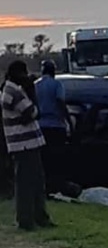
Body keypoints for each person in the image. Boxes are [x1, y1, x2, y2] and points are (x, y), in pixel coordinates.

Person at [1, 60, 53, 231]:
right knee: (25, 183)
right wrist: (31, 92)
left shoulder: (14, 90)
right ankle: (25, 220)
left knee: (37, 181)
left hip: (29, 141)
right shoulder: (12, 92)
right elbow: (33, 112)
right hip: (22, 143)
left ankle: (39, 216)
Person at [35, 59, 68, 194]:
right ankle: (56, 186)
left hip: (40, 127)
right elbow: (60, 101)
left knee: (44, 159)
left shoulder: (35, 85)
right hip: (56, 126)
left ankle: (44, 186)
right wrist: (67, 120)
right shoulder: (57, 85)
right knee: (57, 159)